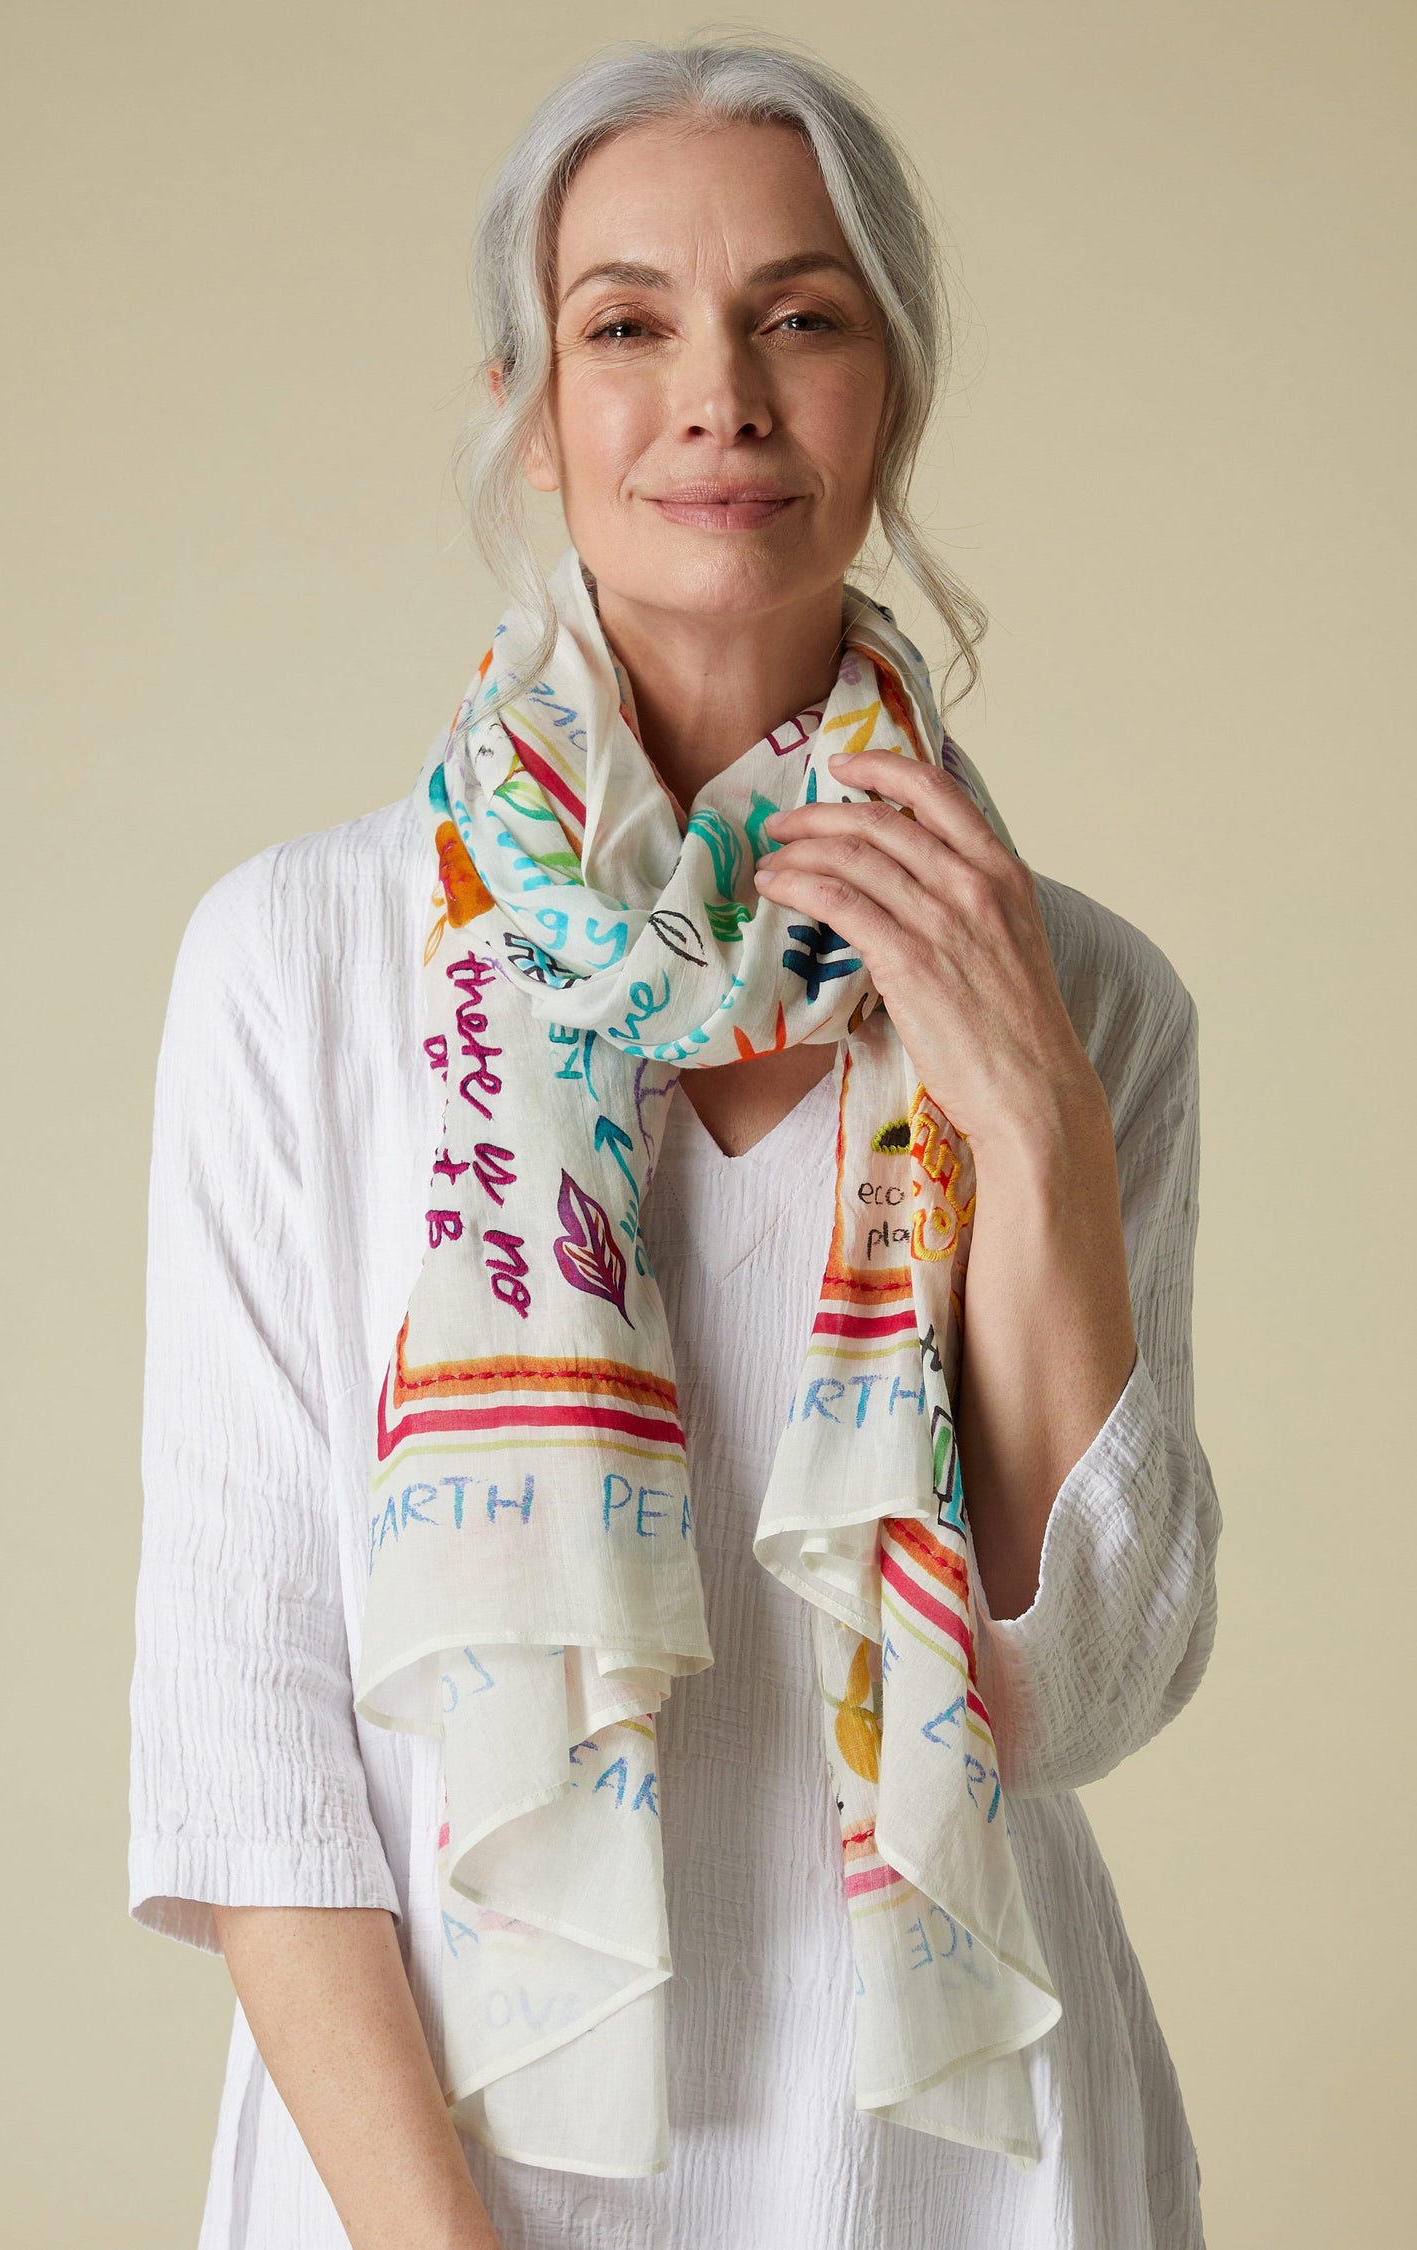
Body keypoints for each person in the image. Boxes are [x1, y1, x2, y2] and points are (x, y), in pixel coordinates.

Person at [127, 35, 1221, 2250]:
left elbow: (1083, 1691)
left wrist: (1036, 1120)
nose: (717, 394)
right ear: (537, 411)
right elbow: (247, 1727)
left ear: (887, 397)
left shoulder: (1081, 995)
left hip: (950, 2154)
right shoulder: (308, 960)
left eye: (799, 319)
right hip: (428, 2162)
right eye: (627, 324)